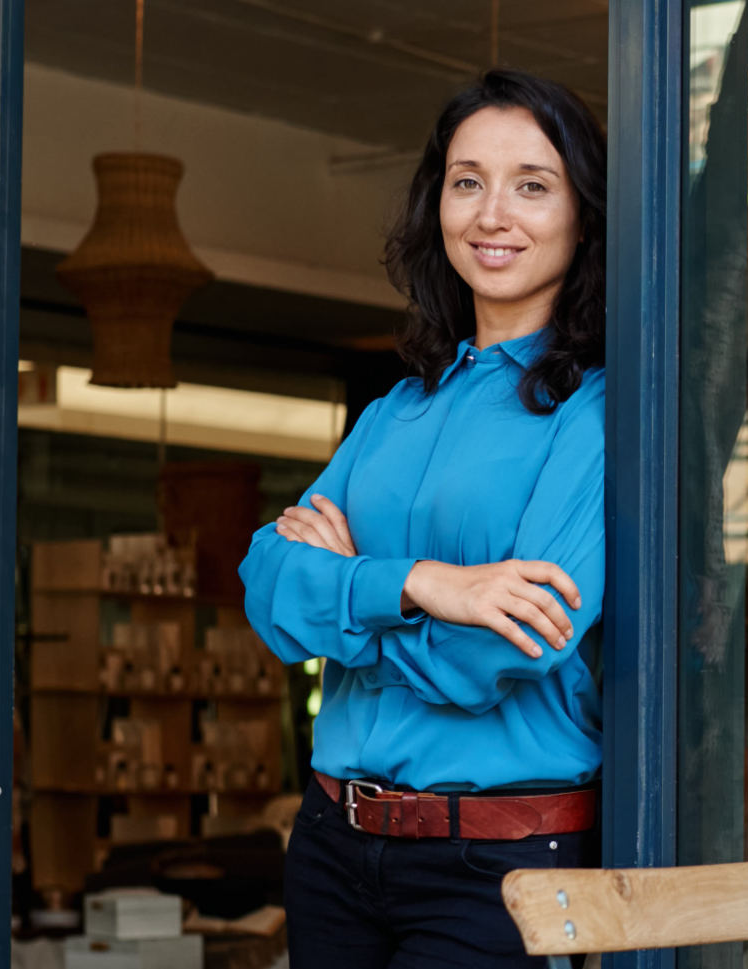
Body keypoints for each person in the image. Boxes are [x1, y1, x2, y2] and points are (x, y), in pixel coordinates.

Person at [238, 68, 607, 968]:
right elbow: (266, 586)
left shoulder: (596, 417)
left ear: (582, 214)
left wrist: (347, 612)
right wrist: (426, 584)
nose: (492, 214)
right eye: (467, 181)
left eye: (532, 185)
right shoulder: (393, 412)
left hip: (498, 860)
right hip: (332, 844)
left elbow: (509, 646)